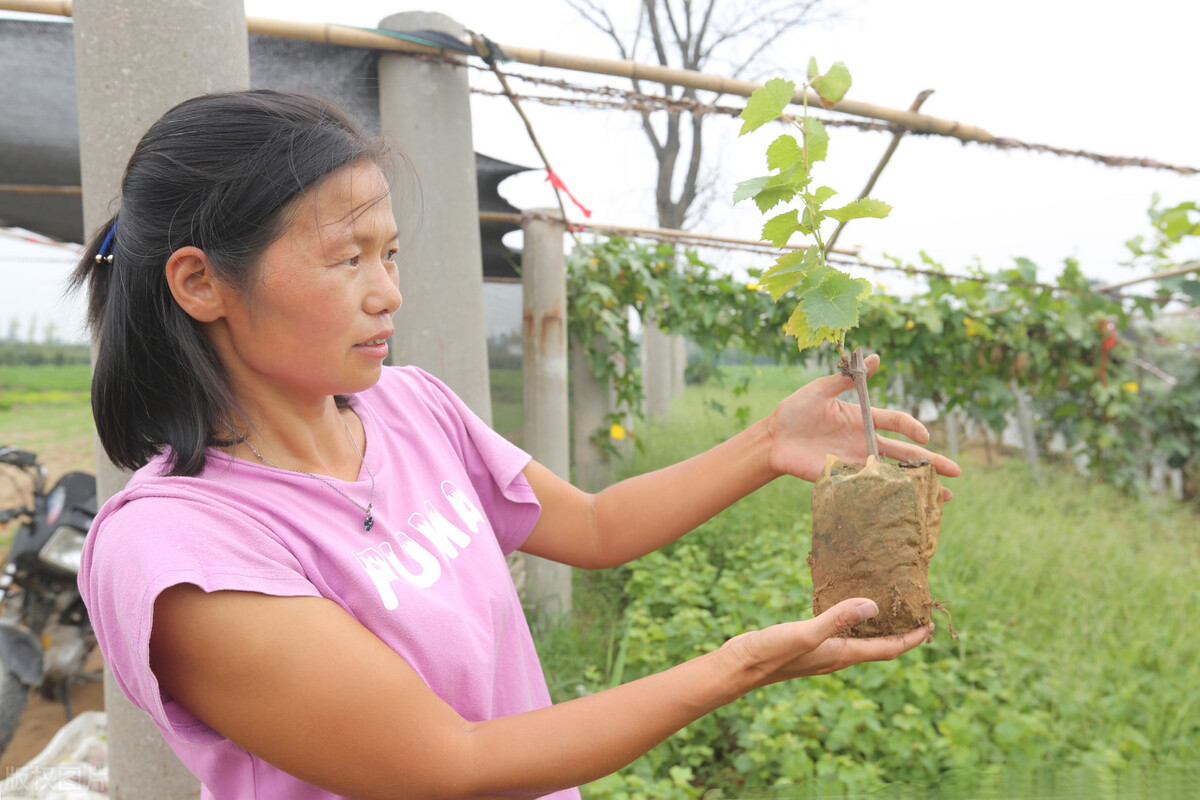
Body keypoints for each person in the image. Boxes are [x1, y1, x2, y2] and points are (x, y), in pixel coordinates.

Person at [73, 89, 960, 800]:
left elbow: (597, 528)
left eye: (390, 256)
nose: (388, 294)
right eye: (348, 260)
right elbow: (451, 763)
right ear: (199, 282)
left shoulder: (410, 409)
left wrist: (772, 440)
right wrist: (737, 666)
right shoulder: (179, 549)